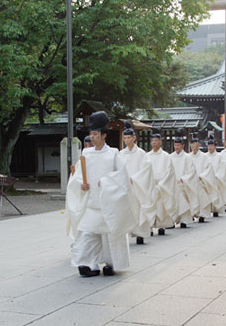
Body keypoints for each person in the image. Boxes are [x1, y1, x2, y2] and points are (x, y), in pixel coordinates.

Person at [66, 111, 136, 277]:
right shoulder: (86, 154)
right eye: (91, 133)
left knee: (108, 236)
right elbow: (77, 177)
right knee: (87, 232)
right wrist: (80, 184)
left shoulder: (112, 154)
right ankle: (88, 263)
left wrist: (107, 183)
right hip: (90, 201)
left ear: (104, 135)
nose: (92, 137)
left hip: (107, 203)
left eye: (95, 133)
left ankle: (110, 264)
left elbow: (122, 178)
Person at [119, 121, 153, 245]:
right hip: (125, 186)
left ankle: (140, 234)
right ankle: (126, 234)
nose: (127, 140)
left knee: (139, 209)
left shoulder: (141, 154)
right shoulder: (121, 154)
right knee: (126, 210)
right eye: (125, 138)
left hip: (138, 186)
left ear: (134, 138)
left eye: (129, 138)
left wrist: (135, 179)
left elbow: (146, 170)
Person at [145, 131, 177, 235]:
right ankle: (149, 226)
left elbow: (169, 172)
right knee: (149, 206)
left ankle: (161, 225)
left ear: (160, 142)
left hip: (162, 185)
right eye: (152, 141)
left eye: (156, 141)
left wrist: (161, 184)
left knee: (161, 206)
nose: (154, 143)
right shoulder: (146, 156)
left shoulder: (166, 156)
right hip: (150, 185)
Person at [170, 133, 200, 227]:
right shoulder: (170, 157)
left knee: (184, 202)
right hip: (173, 183)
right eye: (175, 145)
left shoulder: (187, 157)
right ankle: (172, 220)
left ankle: (184, 220)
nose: (177, 147)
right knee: (173, 202)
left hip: (183, 183)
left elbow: (191, 171)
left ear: (183, 145)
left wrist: (184, 179)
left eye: (179, 145)